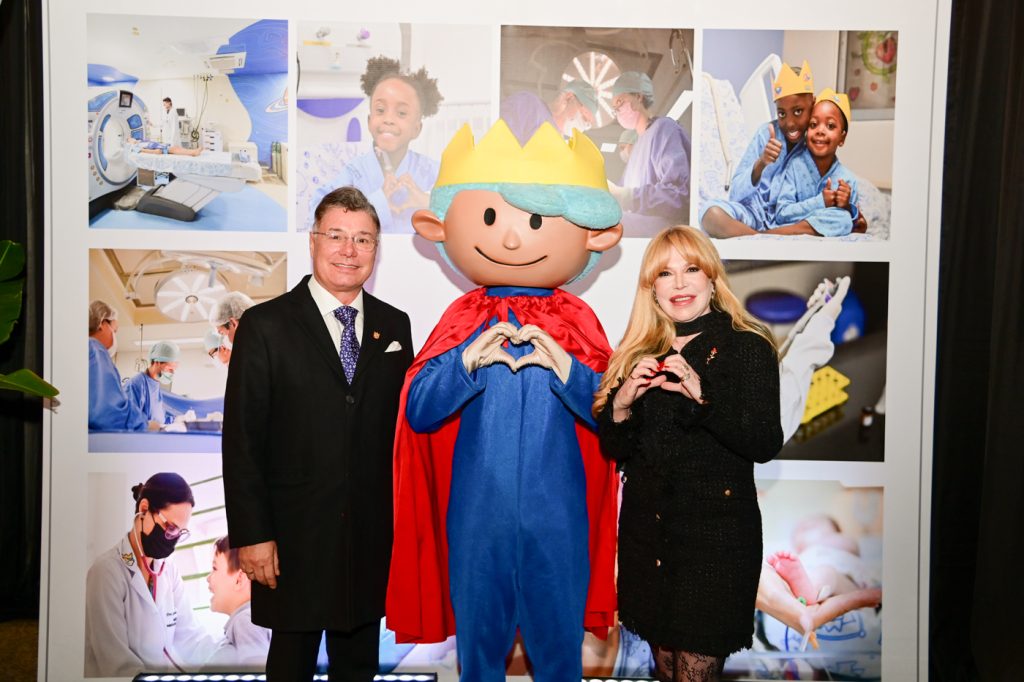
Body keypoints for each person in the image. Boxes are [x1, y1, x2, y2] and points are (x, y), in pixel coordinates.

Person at [388, 120, 622, 681]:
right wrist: (465, 362)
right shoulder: (462, 318)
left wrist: (568, 371)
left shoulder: (578, 320)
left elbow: (617, 415)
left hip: (558, 516)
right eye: (493, 219)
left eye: (534, 221)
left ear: (594, 235)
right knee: (479, 659)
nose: (513, 240)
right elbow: (418, 409)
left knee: (559, 659)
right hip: (476, 516)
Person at [223, 185, 413, 681]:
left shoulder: (395, 326)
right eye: (336, 235)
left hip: (368, 540)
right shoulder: (265, 326)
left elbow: (402, 435)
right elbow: (242, 441)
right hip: (291, 542)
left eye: (363, 239)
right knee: (290, 668)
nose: (349, 250)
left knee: (358, 669)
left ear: (376, 249)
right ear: (313, 241)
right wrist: (253, 536)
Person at [594, 225, 783, 681]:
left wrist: (703, 397)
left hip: (715, 545)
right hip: (648, 541)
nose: (679, 283)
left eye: (691, 269)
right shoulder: (639, 351)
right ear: (651, 288)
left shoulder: (746, 344)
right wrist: (621, 405)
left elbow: (764, 442)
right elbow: (617, 451)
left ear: (712, 278)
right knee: (664, 671)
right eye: (665, 273)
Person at [84, 473, 216, 677]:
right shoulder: (106, 572)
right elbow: (116, 663)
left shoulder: (169, 571)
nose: (172, 539)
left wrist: (230, 656)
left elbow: (190, 637)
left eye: (180, 533)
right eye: (170, 527)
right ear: (144, 509)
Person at [308, 55, 443, 233]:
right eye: (380, 110)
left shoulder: (430, 172)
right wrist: (378, 203)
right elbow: (319, 213)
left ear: (416, 129)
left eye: (401, 113)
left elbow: (466, 213)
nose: (388, 119)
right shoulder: (355, 173)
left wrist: (426, 201)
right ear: (369, 121)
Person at [700, 61, 815, 237]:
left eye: (798, 111)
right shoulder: (765, 134)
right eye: (782, 113)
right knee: (711, 215)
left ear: (813, 104)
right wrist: (761, 163)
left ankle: (760, 238)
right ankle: (761, 238)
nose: (790, 123)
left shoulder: (818, 141)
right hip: (754, 214)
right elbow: (735, 193)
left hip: (791, 220)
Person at [606, 71, 692, 236]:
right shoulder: (637, 149)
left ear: (638, 97)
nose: (617, 110)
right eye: (614, 108)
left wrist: (625, 196)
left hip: (666, 234)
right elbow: (622, 194)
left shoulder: (664, 129)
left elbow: (677, 195)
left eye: (620, 102)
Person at [770, 89, 861, 237]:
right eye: (813, 124)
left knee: (843, 219)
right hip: (788, 225)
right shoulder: (794, 166)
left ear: (842, 138)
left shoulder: (847, 180)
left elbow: (855, 224)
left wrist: (847, 207)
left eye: (830, 126)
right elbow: (781, 214)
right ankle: (783, 231)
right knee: (843, 220)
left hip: (815, 224)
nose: (820, 131)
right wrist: (820, 202)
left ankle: (797, 230)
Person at [204, 535, 272, 669]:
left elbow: (257, 670)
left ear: (239, 579)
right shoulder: (248, 619)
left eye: (214, 568)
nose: (208, 578)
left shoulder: (245, 620)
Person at [87, 299, 151, 432]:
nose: (114, 336)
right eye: (114, 331)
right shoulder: (95, 349)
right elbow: (107, 413)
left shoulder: (84, 348)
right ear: (102, 323)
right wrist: (144, 425)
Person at [499, 80, 599, 145]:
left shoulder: (560, 143)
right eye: (584, 117)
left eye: (587, 124)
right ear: (568, 98)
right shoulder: (528, 104)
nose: (583, 126)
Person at [125, 340, 180, 426]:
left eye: (174, 369)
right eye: (170, 369)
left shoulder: (155, 384)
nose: (172, 373)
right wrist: (149, 426)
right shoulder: (136, 385)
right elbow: (130, 422)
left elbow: (157, 418)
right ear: (157, 362)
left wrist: (175, 421)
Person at [127, 139, 202, 156]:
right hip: (161, 149)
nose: (132, 139)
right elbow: (144, 150)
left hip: (162, 146)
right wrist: (156, 151)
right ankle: (193, 152)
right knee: (174, 149)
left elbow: (153, 142)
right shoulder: (138, 146)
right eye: (130, 140)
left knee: (176, 147)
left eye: (132, 138)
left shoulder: (141, 141)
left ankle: (193, 151)